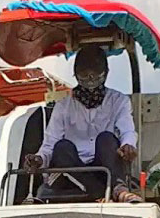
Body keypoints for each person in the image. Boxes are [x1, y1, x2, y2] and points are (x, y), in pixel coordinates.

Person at [22, 45, 141, 202]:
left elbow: (127, 131)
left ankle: (118, 188)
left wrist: (128, 145)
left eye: (95, 76)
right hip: (71, 171)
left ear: (105, 74)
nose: (90, 81)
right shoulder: (63, 105)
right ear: (76, 75)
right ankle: (102, 193)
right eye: (85, 76)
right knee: (62, 147)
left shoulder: (118, 101)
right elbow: (49, 144)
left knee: (106, 138)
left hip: (105, 169)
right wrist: (39, 159)